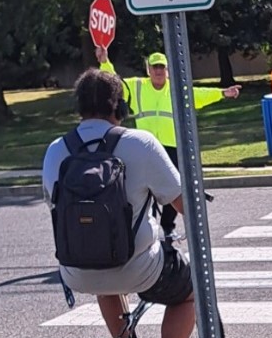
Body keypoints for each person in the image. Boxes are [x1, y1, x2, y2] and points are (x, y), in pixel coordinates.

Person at [42, 68, 195, 338]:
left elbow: (52, 204)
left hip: (77, 270)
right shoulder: (139, 143)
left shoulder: (56, 150)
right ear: (119, 107)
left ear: (79, 107)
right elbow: (184, 204)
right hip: (139, 267)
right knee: (190, 292)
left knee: (103, 277)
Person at [96, 46, 241, 236]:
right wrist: (104, 61)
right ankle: (145, 228)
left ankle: (167, 228)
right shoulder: (137, 86)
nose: (158, 71)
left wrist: (223, 93)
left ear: (167, 70)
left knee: (174, 189)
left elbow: (199, 94)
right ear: (148, 69)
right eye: (154, 67)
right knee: (143, 190)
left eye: (161, 67)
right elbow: (114, 82)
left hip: (172, 148)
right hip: (144, 148)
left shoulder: (176, 89)